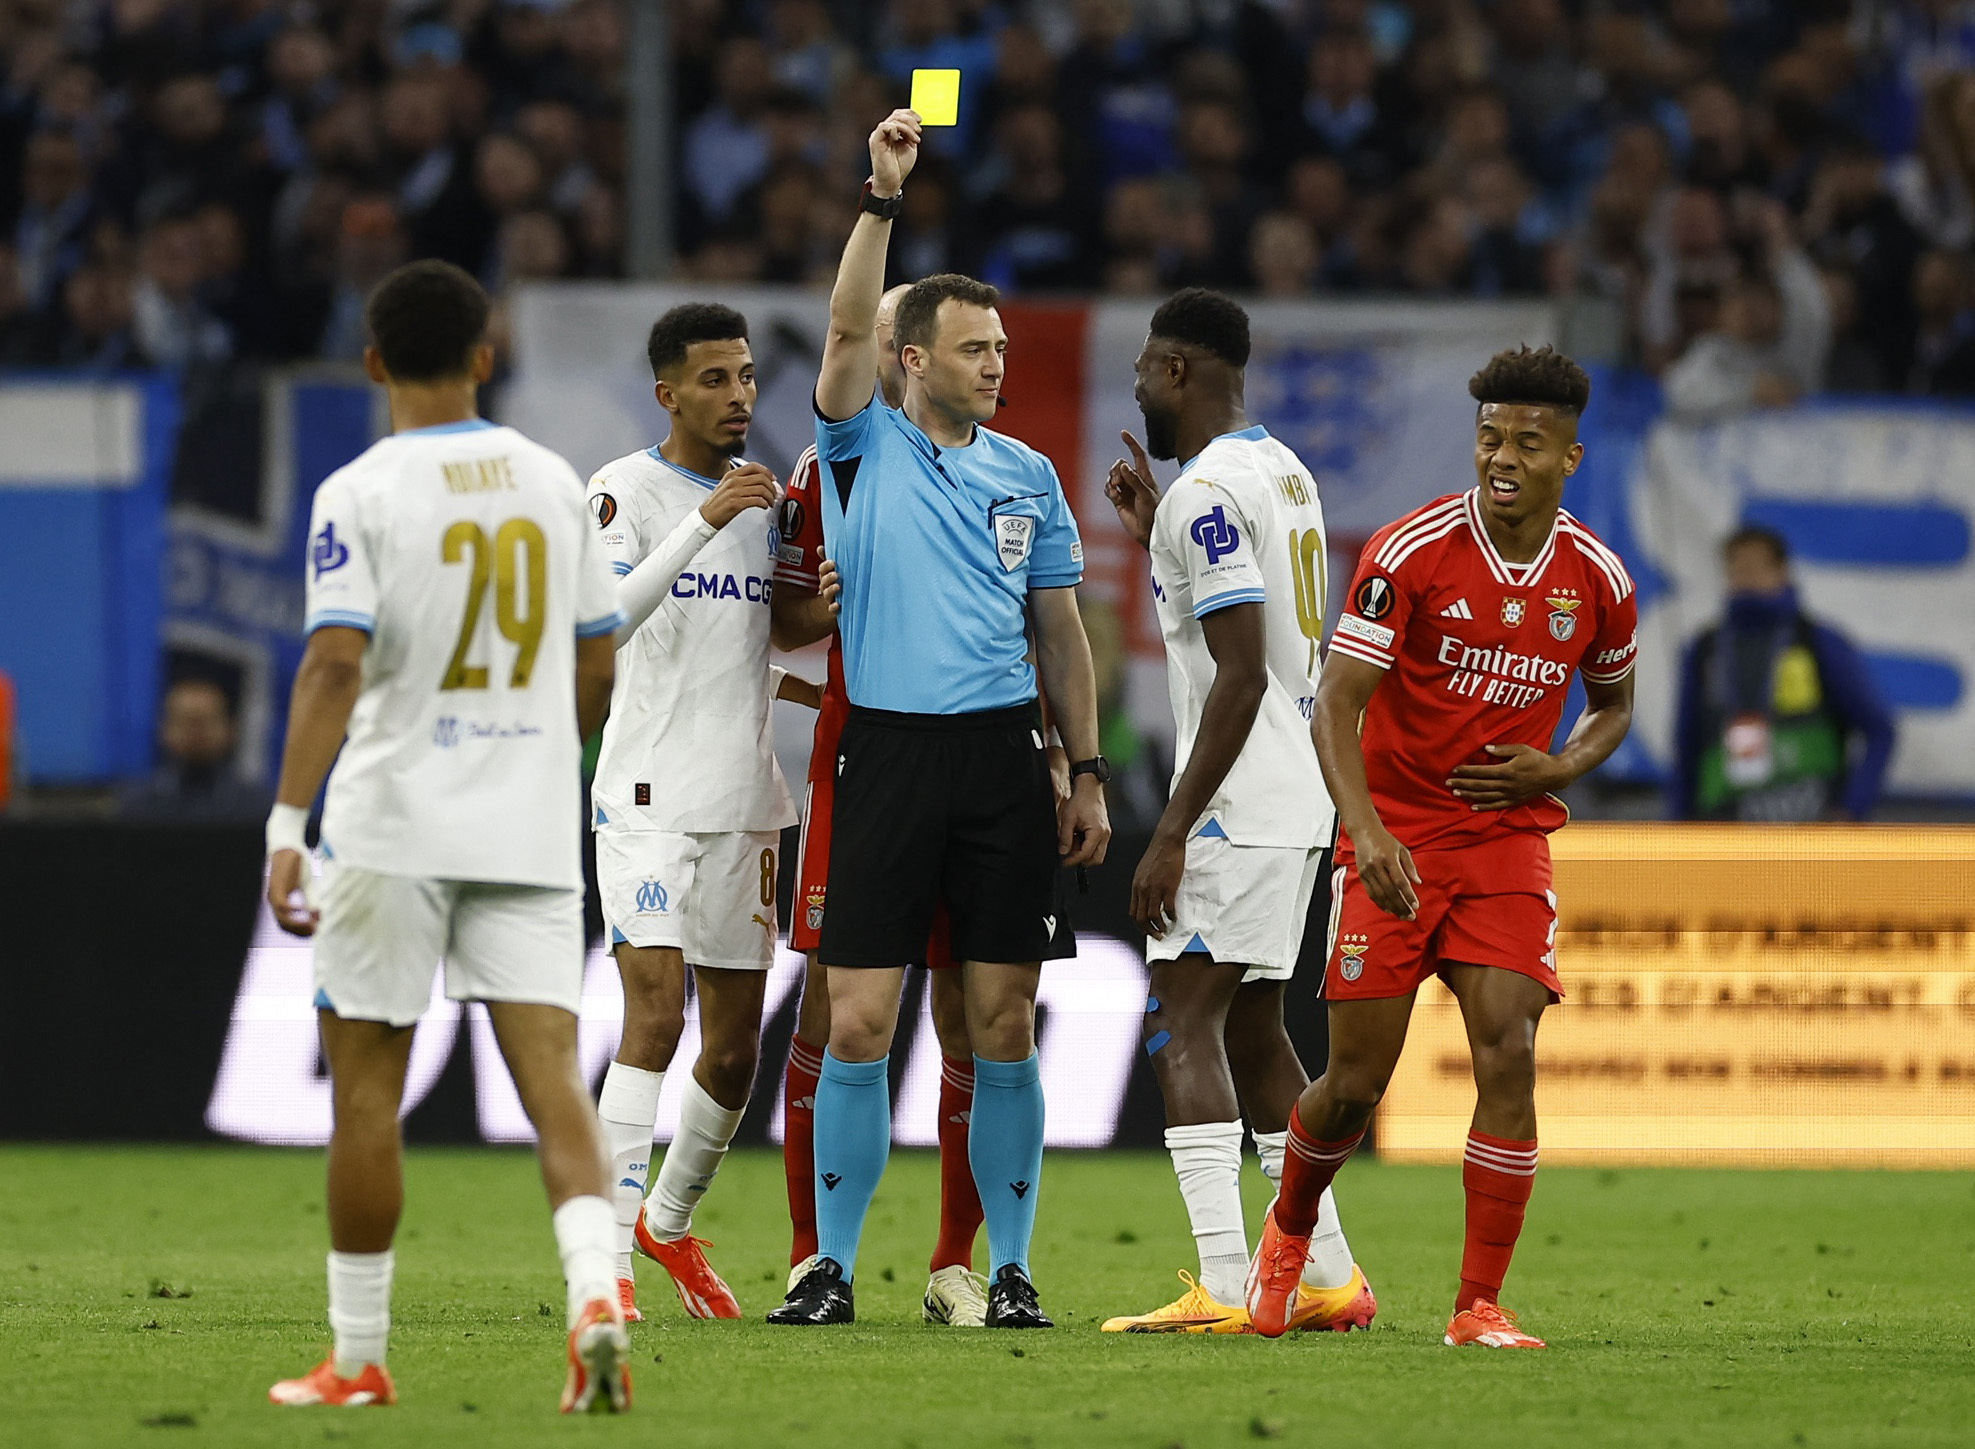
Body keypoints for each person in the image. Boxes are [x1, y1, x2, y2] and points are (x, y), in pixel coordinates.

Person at [262, 259, 631, 1412]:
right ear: (486, 354)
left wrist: (286, 821)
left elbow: (333, 662)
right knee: (554, 1086)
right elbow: (595, 659)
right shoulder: (552, 480)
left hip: (391, 825)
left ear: (373, 362)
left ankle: (360, 1359)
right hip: (525, 826)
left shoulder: (358, 490)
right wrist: (539, 760)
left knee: (367, 1099)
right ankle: (594, 1296)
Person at [767, 108, 1110, 1329]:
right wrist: (881, 197)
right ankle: (832, 1273)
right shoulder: (861, 450)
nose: (996, 365)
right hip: (888, 757)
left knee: (1001, 1020)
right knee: (857, 1020)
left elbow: (1060, 634)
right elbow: (849, 320)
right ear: (912, 359)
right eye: (973, 349)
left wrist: (1085, 770)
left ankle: (1007, 1269)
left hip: (1002, 762)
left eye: (1002, 348)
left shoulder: (1030, 475)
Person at [1245, 345, 1639, 1350]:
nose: (1500, 457)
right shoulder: (1410, 549)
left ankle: (1477, 1307)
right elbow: (1335, 703)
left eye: (1525, 442)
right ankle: (1285, 1243)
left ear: (1569, 456)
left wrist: (1557, 771)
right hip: (1399, 839)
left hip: (1507, 842)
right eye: (1489, 438)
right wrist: (1365, 830)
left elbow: (1613, 704)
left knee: (1507, 1051)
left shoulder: (1595, 577)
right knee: (1353, 1087)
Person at [1097, 288, 1373, 1335]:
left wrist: (1170, 828)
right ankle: (1328, 1275)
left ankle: (1222, 1279)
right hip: (1294, 794)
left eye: (1141, 368)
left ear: (1177, 371)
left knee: (1185, 1021)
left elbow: (1242, 672)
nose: (1133, 385)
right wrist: (1154, 532)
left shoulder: (1205, 492)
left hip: (1234, 803)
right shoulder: (1282, 471)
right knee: (1256, 1026)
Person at [583, 303, 838, 1323]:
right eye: (716, 380)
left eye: (745, 376)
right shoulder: (622, 490)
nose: (739, 395)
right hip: (645, 799)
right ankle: (602, 1264)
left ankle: (670, 1225)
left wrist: (826, 601)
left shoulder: (764, 504)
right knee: (653, 1017)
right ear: (669, 395)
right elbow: (607, 619)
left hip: (744, 803)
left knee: (732, 1053)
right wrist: (705, 518)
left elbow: (768, 639)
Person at [1671, 525, 1895, 823]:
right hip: (1723, 826)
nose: (1745, 578)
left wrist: (1850, 810)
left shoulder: (1819, 642)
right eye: (1737, 567)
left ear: (1782, 571)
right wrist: (1679, 822)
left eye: (1756, 567)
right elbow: (1686, 743)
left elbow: (1879, 729)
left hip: (1808, 822)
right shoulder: (1704, 650)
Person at [118, 677, 272, 822]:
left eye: (205, 722)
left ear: (230, 729)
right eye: (186, 721)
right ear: (165, 729)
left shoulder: (257, 806)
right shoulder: (137, 806)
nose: (196, 733)